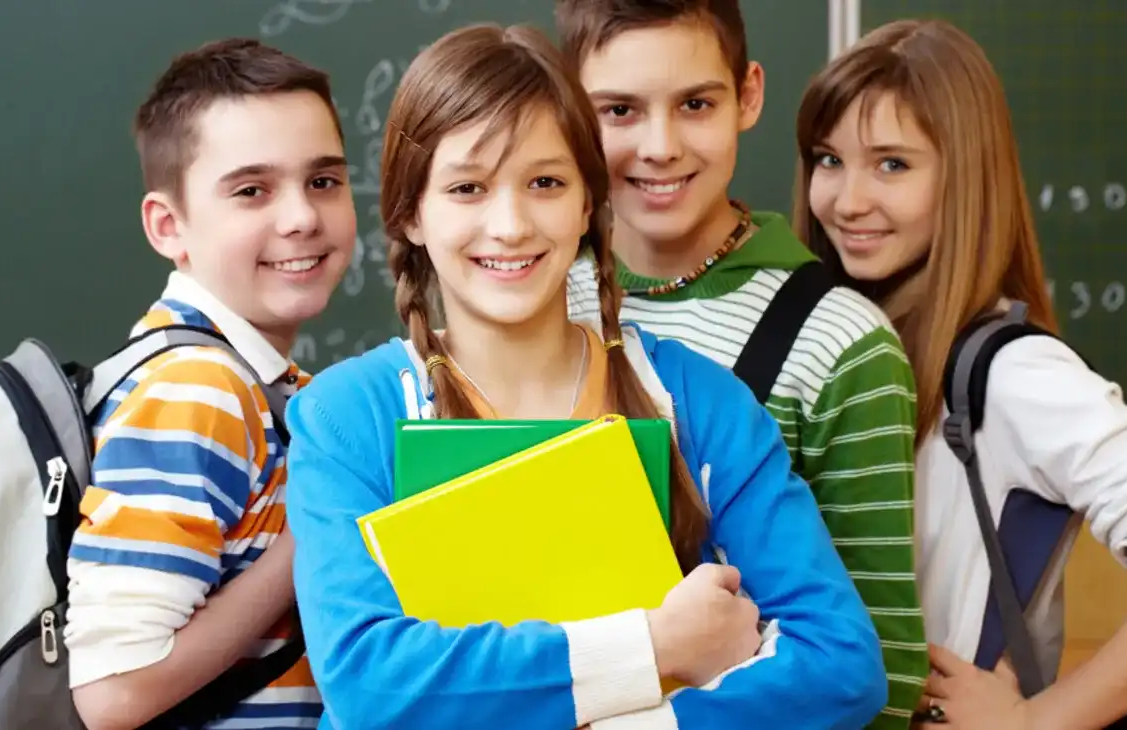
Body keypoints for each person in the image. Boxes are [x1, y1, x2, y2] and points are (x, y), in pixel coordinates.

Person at [284, 21, 887, 730]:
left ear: (585, 203)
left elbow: (841, 664)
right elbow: (369, 685)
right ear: (412, 213)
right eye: (468, 187)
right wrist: (657, 646)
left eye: (544, 182)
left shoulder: (698, 401)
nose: (509, 225)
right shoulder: (347, 417)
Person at [794, 18, 1127, 729]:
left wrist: (1037, 722)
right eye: (828, 160)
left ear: (965, 176)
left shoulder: (1011, 372)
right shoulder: (836, 347)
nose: (847, 200)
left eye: (892, 164)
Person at [552, 3, 928, 726]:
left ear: (748, 95)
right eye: (620, 110)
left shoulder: (839, 341)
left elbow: (880, 663)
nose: (659, 146)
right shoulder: (525, 294)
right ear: (570, 108)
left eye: (695, 104)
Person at [65, 38, 356, 730]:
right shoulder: (197, 389)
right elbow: (114, 692)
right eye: (252, 190)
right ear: (169, 225)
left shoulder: (265, 385)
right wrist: (323, 528)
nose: (301, 217)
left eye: (324, 181)